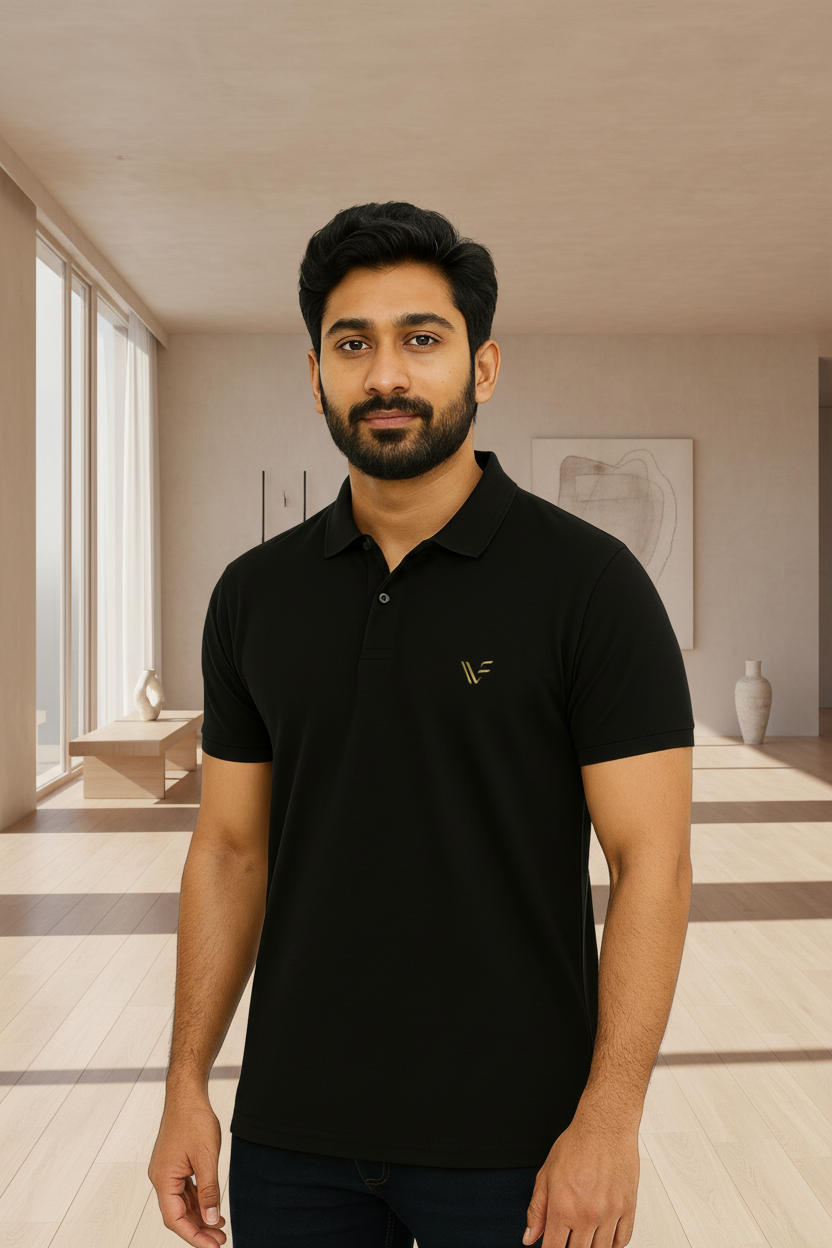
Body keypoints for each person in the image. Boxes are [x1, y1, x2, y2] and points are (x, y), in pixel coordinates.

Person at [148, 202, 694, 1248]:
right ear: (313, 373)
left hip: (520, 1145)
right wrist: (185, 1083)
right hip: (290, 1139)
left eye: (421, 340)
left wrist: (610, 1120)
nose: (385, 376)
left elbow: (652, 863)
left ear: (481, 369)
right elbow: (228, 851)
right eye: (351, 345)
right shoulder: (253, 597)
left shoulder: (590, 586)